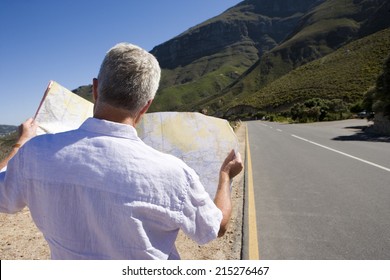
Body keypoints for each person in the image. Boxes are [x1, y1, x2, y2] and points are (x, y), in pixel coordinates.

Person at [0, 43, 243, 260]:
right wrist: (225, 178)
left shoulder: (34, 155)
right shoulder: (175, 174)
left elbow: (4, 200)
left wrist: (21, 144)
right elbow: (215, 228)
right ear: (146, 105)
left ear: (95, 89)